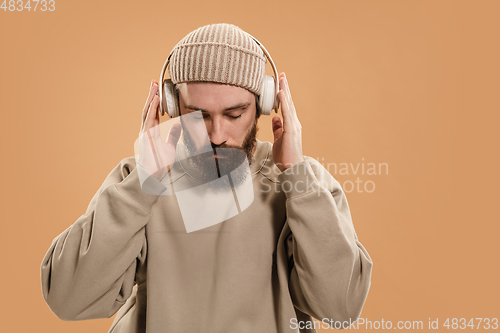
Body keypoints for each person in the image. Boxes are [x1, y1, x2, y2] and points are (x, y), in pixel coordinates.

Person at [40, 23, 373, 333]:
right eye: (197, 115)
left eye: (234, 114)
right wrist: (144, 183)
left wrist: (296, 177)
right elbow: (68, 298)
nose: (216, 134)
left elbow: (340, 309)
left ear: (264, 105)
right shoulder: (140, 179)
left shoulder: (303, 183)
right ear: (171, 105)